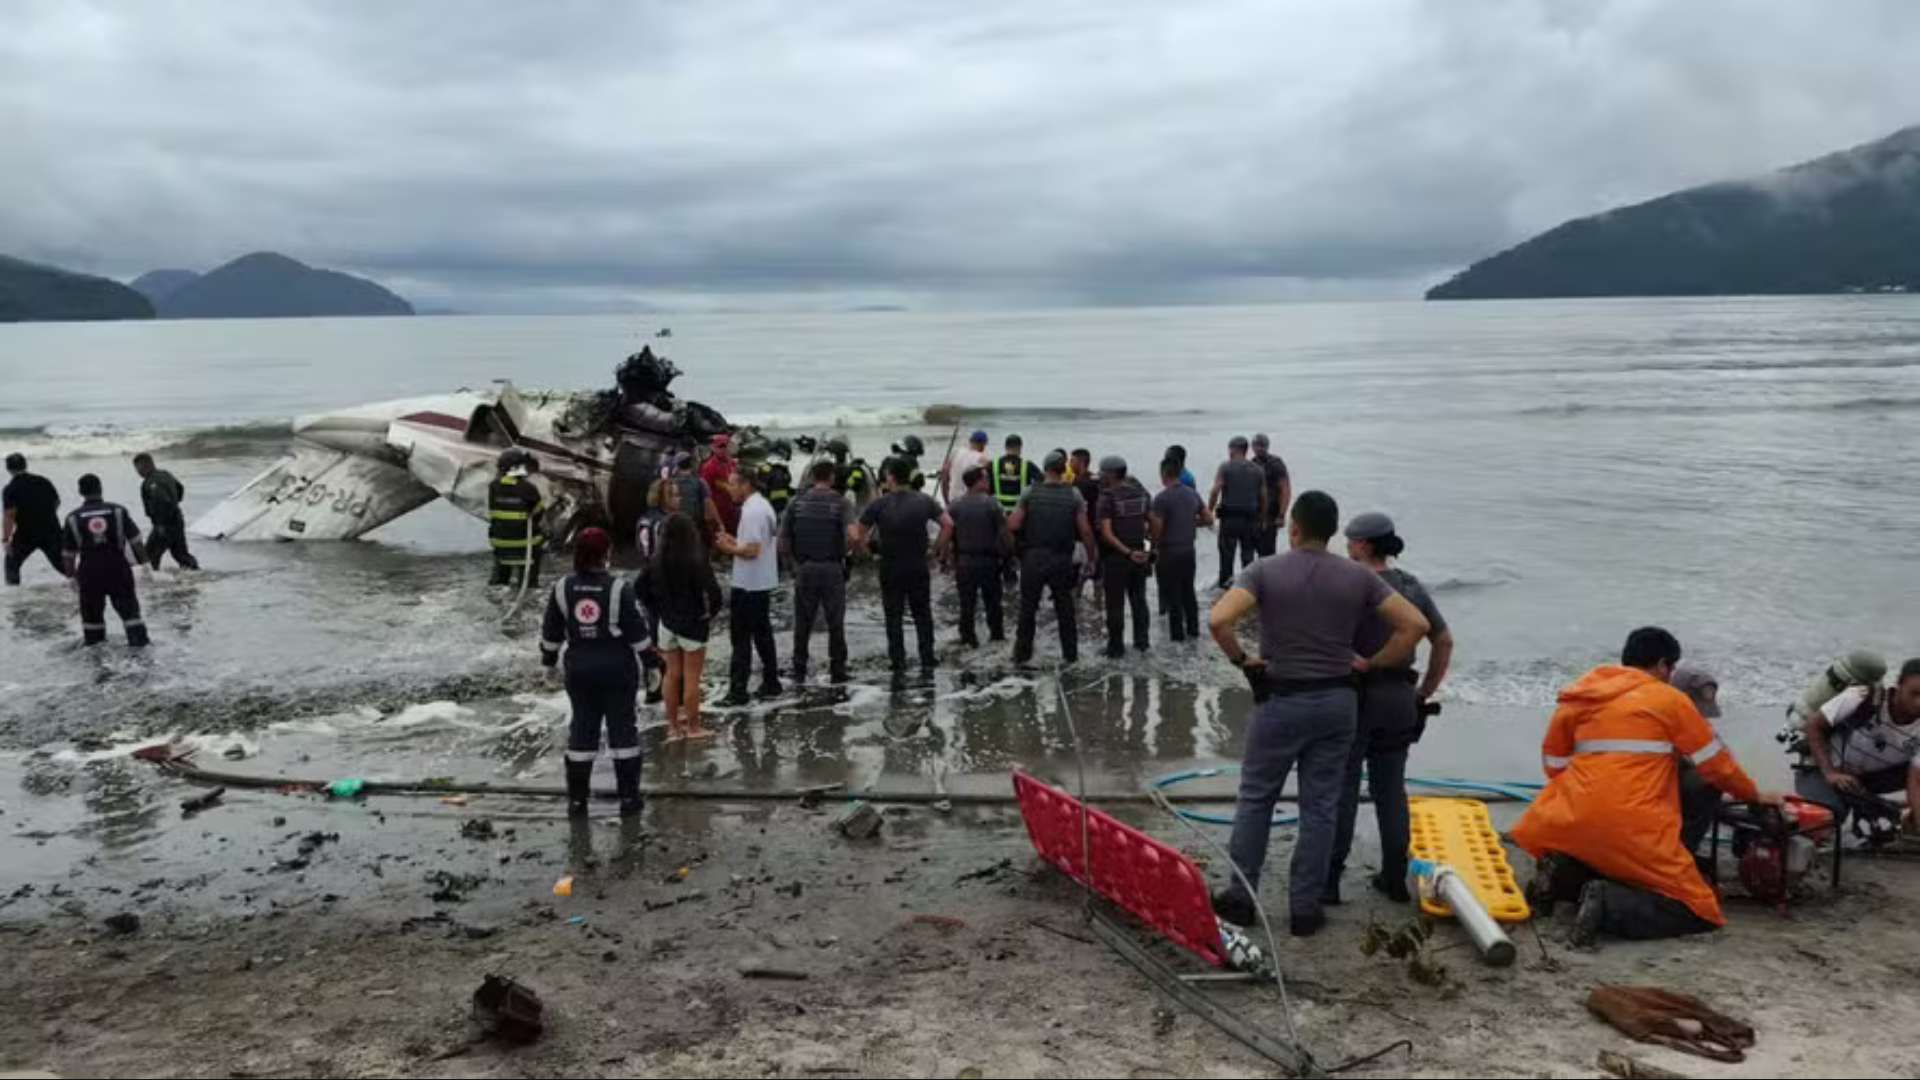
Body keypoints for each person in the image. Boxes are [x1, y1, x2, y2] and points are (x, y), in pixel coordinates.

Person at [1209, 491, 1430, 937]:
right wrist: (1374, 662)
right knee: (1321, 806)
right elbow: (1417, 627)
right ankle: (1305, 909)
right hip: (1337, 703)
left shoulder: (1264, 570)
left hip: (1281, 699)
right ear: (1331, 531)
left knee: (1256, 798)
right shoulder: (1358, 577)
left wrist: (1244, 662)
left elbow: (1219, 621)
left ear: (1293, 527)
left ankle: (1241, 898)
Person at [1512, 628, 1783, 949]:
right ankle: (1607, 904)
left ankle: (1562, 876)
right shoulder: (1669, 700)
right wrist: (1753, 794)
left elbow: (1553, 765)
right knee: (1699, 909)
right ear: (1662, 665)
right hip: (1632, 829)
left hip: (1565, 823)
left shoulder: (1581, 696)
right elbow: (1717, 767)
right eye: (1670, 669)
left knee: (1607, 860)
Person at [1326, 513, 1455, 905]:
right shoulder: (1411, 587)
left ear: (1365, 545)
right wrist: (1424, 692)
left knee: (1342, 790)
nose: (1346, 548)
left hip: (1353, 698)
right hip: (1399, 698)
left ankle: (1329, 882)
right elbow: (1444, 641)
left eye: (1350, 542)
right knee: (1390, 790)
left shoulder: (1346, 584)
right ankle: (1395, 879)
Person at [540, 527, 654, 818]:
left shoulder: (561, 588)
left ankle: (577, 802)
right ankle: (629, 799)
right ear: (606, 554)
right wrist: (652, 664)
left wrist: (549, 664)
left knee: (582, 730)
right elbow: (637, 634)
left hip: (579, 670)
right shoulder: (619, 589)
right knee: (623, 730)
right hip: (618, 670)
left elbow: (551, 634)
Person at [1791, 657, 1920, 831]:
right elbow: (1813, 726)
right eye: (1915, 693)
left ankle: (1907, 822)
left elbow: (1916, 780)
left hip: (1865, 780)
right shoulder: (1862, 697)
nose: (1918, 702)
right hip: (1820, 768)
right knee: (1830, 816)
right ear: (1899, 684)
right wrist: (1830, 773)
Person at [855, 458, 953, 682]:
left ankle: (897, 661)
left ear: (890, 477)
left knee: (893, 615)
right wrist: (936, 549)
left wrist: (867, 553)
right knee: (922, 614)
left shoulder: (879, 504)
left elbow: (857, 533)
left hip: (890, 565)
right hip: (917, 564)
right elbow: (948, 525)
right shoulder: (925, 500)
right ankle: (927, 658)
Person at [637, 514, 725, 742]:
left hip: (667, 625)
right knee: (692, 678)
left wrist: (657, 610)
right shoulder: (696, 559)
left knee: (671, 676)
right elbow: (714, 594)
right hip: (693, 625)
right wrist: (709, 615)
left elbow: (639, 588)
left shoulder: (655, 560)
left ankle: (673, 728)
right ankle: (694, 727)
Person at [1008, 451, 1099, 666]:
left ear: (1045, 468)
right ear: (1062, 469)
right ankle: (1070, 656)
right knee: (1064, 608)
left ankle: (1022, 655)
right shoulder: (1074, 495)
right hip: (1061, 558)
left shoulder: (1029, 492)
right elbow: (1085, 531)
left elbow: (1013, 525)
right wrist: (1092, 558)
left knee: (1028, 608)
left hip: (1033, 557)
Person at [715, 468, 781, 707]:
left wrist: (728, 549)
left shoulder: (752, 511)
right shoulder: (763, 506)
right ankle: (771, 681)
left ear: (746, 485)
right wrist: (734, 541)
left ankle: (738, 690)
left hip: (748, 584)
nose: (729, 489)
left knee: (741, 638)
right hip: (761, 581)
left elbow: (752, 551)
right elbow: (757, 544)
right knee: (763, 635)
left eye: (733, 485)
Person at [783, 460, 853, 685]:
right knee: (835, 622)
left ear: (813, 477)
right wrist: (848, 554)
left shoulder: (796, 503)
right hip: (832, 568)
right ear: (832, 477)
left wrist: (792, 567)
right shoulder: (840, 503)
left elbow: (783, 541)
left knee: (803, 622)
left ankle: (799, 667)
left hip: (805, 568)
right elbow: (853, 535)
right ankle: (838, 669)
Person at [62, 474, 150, 647]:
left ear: (80, 492)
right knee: (131, 615)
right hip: (118, 570)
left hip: (89, 573)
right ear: (100, 488)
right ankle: (141, 656)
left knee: (92, 621)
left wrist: (71, 577)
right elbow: (136, 543)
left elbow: (68, 555)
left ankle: (98, 659)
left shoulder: (72, 518)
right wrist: (146, 565)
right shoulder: (118, 511)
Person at [1094, 455, 1153, 658]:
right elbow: (1154, 522)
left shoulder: (1107, 497)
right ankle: (1142, 644)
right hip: (1140, 555)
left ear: (1110, 475)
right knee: (1139, 601)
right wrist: (1149, 549)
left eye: (1101, 472)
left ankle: (1116, 648)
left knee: (1115, 605)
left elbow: (1107, 534)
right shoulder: (1141, 493)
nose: (1099, 476)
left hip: (1118, 558)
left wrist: (1127, 552)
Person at [1670, 661, 1731, 854]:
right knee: (1707, 783)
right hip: (1653, 789)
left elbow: (1723, 759)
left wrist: (1746, 791)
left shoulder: (1699, 725)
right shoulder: (1661, 718)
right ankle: (1682, 851)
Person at [949, 465, 1011, 647]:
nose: (988, 482)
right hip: (989, 562)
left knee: (966, 604)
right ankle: (997, 638)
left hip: (964, 562)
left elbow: (948, 533)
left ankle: (967, 639)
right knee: (993, 603)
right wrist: (1010, 553)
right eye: (985, 478)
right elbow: (1004, 534)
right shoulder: (993, 504)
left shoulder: (955, 505)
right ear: (979, 481)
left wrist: (946, 557)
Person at [1150, 457, 1209, 642]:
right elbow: (1209, 519)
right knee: (1188, 592)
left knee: (1173, 596)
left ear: (1164, 474)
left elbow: (1157, 528)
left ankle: (1177, 640)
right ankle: (1194, 632)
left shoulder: (1161, 498)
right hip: (1188, 551)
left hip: (1169, 553)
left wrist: (1153, 547)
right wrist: (1190, 523)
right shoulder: (1192, 494)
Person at [1210, 436, 1268, 590]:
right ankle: (1246, 590)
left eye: (1229, 449)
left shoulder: (1225, 467)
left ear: (1233, 449)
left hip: (1229, 521)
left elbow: (1215, 490)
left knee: (1226, 559)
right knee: (1247, 558)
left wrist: (1209, 511)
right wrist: (1262, 519)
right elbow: (1263, 498)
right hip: (1250, 520)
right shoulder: (1258, 470)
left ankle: (1225, 590)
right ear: (1246, 449)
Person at [4, 453, 67, 586]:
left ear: (8, 468)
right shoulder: (43, 481)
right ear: (25, 465)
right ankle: (86, 586)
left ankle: (13, 599)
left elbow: (9, 515)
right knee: (63, 566)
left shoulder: (10, 489)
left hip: (26, 534)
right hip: (51, 530)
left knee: (11, 565)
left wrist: (5, 539)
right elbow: (56, 502)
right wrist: (43, 515)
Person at [487, 449, 546, 587]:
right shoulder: (528, 488)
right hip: (525, 545)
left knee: (499, 583)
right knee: (539, 540)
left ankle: (498, 583)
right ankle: (529, 584)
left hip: (500, 544)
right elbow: (538, 513)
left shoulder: (493, 487)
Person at [132, 452, 200, 572]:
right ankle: (196, 573)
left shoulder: (151, 482)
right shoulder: (165, 474)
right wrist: (175, 502)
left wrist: (160, 524)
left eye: (138, 468)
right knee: (180, 554)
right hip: (177, 519)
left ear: (147, 464)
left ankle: (154, 582)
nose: (138, 472)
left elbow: (163, 501)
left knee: (149, 555)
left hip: (165, 524)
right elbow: (180, 488)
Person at [1250, 434, 1292, 558]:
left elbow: (1285, 489)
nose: (1259, 448)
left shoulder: (1276, 463)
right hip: (1254, 514)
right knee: (1251, 549)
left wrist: (1282, 515)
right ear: (1252, 447)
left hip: (1271, 514)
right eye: (1256, 445)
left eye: (1262, 445)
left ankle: (1269, 576)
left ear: (1267, 447)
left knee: (1267, 552)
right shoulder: (1252, 464)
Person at [672, 453, 724, 543]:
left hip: (674, 524)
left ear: (677, 466)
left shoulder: (670, 482)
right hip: (694, 525)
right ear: (691, 464)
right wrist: (719, 523)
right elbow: (709, 503)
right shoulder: (700, 482)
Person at [992, 434, 1043, 513]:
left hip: (998, 512)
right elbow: (1044, 482)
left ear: (1005, 447)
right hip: (1020, 513)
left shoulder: (993, 464)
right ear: (1020, 448)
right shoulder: (1027, 465)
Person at [701, 433, 741, 534]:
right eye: (720, 446)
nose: (723, 449)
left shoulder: (731, 463)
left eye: (725, 446)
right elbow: (704, 495)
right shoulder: (708, 467)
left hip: (732, 510)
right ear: (713, 448)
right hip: (718, 512)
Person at [940, 430, 992, 505]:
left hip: (952, 500)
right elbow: (986, 487)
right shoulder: (983, 459)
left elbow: (944, 479)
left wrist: (946, 501)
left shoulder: (955, 452)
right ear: (983, 444)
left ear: (970, 441)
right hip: (971, 503)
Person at [636, 478, 680, 563]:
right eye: (676, 495)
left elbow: (641, 548)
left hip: (646, 566)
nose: (680, 498)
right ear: (665, 498)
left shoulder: (643, 519)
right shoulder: (669, 523)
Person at [757, 440, 796, 519]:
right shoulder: (779, 471)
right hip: (773, 511)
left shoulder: (765, 466)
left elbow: (769, 486)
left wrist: (793, 491)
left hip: (761, 506)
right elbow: (778, 496)